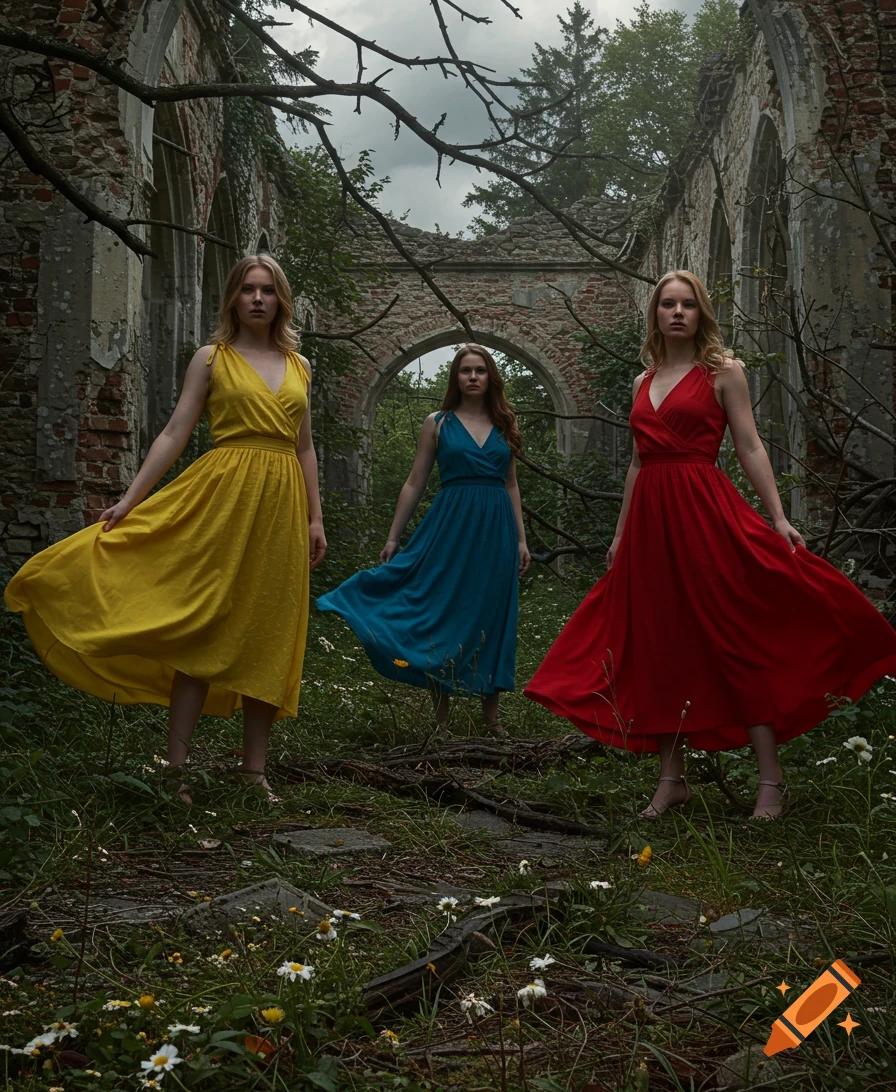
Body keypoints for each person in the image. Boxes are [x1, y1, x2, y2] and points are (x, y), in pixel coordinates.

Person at [524, 270, 896, 819]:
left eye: (688, 305)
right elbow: (636, 463)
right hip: (651, 522)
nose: (677, 312)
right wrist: (622, 533)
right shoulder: (641, 380)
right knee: (660, 643)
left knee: (733, 635)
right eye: (667, 304)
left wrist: (778, 518)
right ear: (654, 314)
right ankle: (671, 780)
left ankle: (771, 781)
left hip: (704, 512)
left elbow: (749, 446)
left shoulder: (724, 372)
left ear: (702, 314)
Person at [5, 253, 326, 802]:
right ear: (232, 297)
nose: (256, 299)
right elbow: (176, 432)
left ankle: (254, 774)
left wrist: (316, 517)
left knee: (270, 632)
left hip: (281, 507)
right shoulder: (211, 358)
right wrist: (130, 499)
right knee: (201, 625)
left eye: (267, 290)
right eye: (247, 289)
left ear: (280, 299)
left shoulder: (299, 365)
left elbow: (304, 445)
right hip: (223, 497)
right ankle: (176, 772)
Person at [318, 345, 530, 735]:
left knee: (494, 612)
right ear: (455, 378)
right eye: (465, 370)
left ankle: (492, 717)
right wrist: (393, 537)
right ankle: (441, 720)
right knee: (442, 609)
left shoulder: (505, 424)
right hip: (450, 526)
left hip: (496, 528)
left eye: (480, 370)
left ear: (490, 377)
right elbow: (415, 482)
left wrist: (520, 539)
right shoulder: (437, 422)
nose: (472, 377)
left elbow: (511, 485)